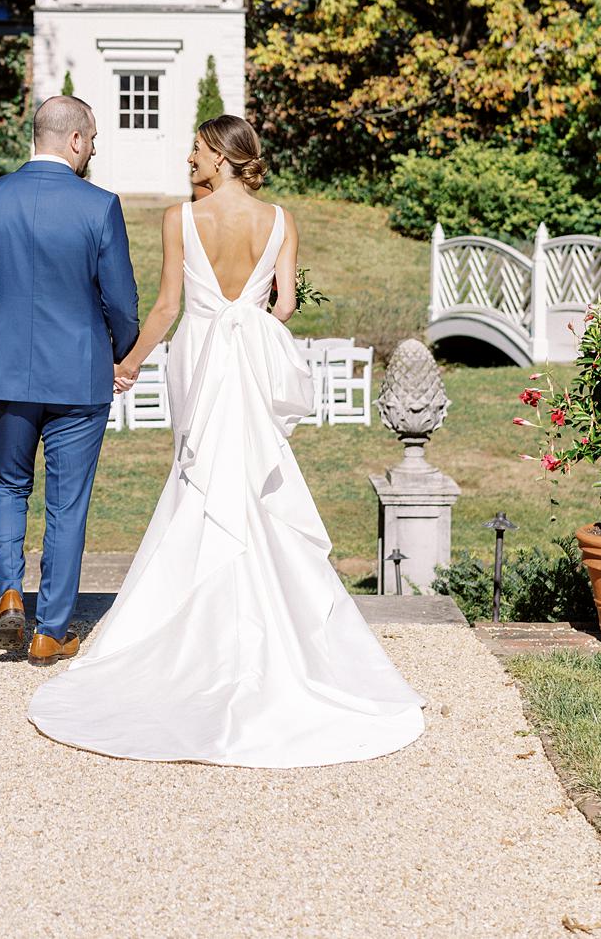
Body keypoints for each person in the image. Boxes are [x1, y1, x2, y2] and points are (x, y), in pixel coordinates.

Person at [29, 114, 425, 766]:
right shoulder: (281, 220)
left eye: (194, 149)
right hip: (246, 366)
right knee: (255, 492)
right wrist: (249, 325)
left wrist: (126, 365)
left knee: (199, 483)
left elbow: (164, 309)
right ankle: (273, 643)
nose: (187, 158)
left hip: (201, 364)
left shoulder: (180, 220)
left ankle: (194, 640)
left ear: (219, 157)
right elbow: (286, 304)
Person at [0, 95, 139, 666]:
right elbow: (124, 302)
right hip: (80, 376)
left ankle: (10, 591)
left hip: (6, 372)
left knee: (8, 486)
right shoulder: (99, 206)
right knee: (67, 505)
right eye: (93, 142)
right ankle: (50, 631)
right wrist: (120, 352)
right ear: (78, 141)